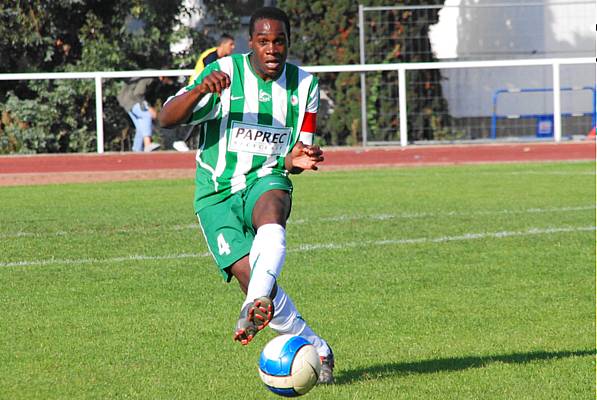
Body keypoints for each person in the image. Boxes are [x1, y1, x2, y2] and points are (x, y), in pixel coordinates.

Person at [158, 7, 334, 384]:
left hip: (267, 177)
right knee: (252, 274)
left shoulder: (305, 86)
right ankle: (316, 347)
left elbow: (296, 155)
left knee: (272, 211)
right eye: (264, 41)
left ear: (288, 42)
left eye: (280, 41)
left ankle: (254, 304)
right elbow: (166, 118)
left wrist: (300, 158)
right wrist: (200, 90)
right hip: (215, 192)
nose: (272, 49)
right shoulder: (224, 75)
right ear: (250, 43)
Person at [172, 34, 236, 152]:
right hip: (197, 90)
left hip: (210, 91)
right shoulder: (211, 56)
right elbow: (208, 74)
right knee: (196, 112)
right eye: (231, 44)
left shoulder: (226, 58)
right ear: (223, 44)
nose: (233, 47)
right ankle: (179, 140)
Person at [117, 77, 167, 152]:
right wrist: (149, 108)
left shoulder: (154, 80)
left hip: (126, 101)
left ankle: (136, 150)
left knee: (141, 127)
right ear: (162, 76)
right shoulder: (150, 78)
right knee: (147, 115)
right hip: (131, 101)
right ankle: (147, 144)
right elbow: (138, 94)